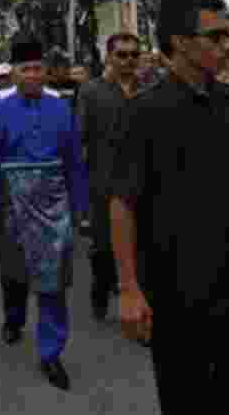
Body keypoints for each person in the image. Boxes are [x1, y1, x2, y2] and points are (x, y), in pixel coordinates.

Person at [110, 0, 229, 413]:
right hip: (178, 296)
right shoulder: (142, 113)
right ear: (181, 42)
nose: (228, 45)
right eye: (216, 36)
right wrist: (130, 289)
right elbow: (122, 205)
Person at [0, 38, 88, 392]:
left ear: (45, 72)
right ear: (14, 73)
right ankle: (13, 317)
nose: (32, 75)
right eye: (25, 69)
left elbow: (74, 161)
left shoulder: (61, 109)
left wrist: (80, 205)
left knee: (53, 279)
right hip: (12, 202)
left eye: (38, 68)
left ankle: (51, 352)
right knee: (15, 273)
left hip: (55, 203)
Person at [74, 33, 141, 322]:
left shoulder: (150, 88)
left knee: (143, 247)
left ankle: (140, 308)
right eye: (122, 55)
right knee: (103, 247)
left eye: (133, 55)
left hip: (145, 182)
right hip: (104, 183)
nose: (128, 61)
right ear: (109, 56)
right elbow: (81, 138)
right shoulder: (91, 92)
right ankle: (100, 293)